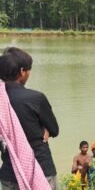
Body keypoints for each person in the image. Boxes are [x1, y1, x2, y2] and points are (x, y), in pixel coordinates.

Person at [0, 47, 60, 189]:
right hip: (40, 169)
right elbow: (55, 130)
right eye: (28, 70)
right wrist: (45, 129)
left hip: (9, 173)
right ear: (22, 72)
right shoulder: (35, 98)